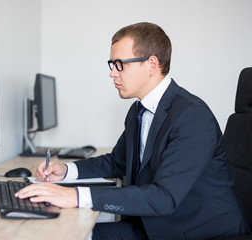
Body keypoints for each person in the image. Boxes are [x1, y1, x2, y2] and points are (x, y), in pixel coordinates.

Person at [15, 22, 250, 239]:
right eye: (111, 64)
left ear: (151, 64)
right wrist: (66, 171)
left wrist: (75, 196)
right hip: (151, 223)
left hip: (192, 231)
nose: (112, 73)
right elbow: (116, 162)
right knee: (61, 232)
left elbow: (164, 197)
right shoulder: (139, 110)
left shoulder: (193, 116)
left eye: (119, 64)